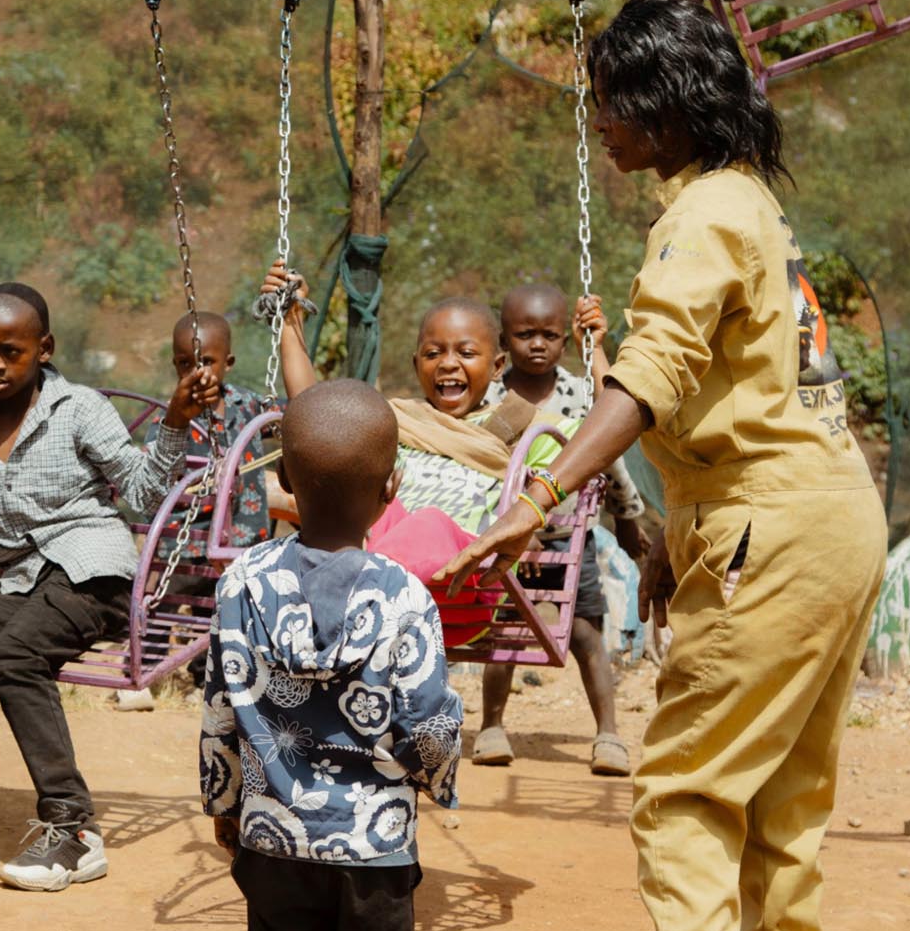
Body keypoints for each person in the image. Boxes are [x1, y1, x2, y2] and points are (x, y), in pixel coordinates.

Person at [443, 0, 887, 931]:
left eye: (606, 100)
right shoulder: (754, 206)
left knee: (687, 784)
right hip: (827, 513)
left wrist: (538, 495)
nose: (595, 120)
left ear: (662, 104)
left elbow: (647, 377)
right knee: (783, 788)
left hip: (768, 522)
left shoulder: (698, 219)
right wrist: (672, 542)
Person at [200, 380, 462, 931]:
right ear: (392, 490)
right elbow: (428, 722)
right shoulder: (405, 597)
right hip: (376, 848)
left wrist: (225, 802)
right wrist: (434, 780)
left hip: (275, 835)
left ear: (286, 485)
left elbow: (220, 709)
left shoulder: (241, 583)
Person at [0, 282, 218, 892]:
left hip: (93, 572)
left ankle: (73, 828)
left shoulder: (79, 408)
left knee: (15, 655)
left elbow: (141, 493)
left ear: (44, 348)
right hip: (21, 579)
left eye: (10, 350)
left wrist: (172, 423)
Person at [260, 267, 563, 643]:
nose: (449, 363)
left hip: (460, 592)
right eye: (434, 353)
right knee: (354, 497)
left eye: (466, 353)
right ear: (416, 363)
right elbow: (315, 415)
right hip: (382, 571)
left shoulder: (521, 425)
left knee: (428, 523)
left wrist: (529, 522)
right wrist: (291, 321)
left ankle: (347, 580)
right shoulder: (399, 421)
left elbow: (580, 459)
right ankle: (339, 563)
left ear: (498, 365)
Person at [476, 282, 647, 776]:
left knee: (587, 634)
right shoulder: (490, 394)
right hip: (509, 539)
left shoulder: (576, 390)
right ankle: (491, 726)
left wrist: (628, 515)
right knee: (502, 635)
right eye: (524, 334)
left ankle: (608, 734)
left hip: (569, 536)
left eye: (549, 335)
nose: (537, 344)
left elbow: (612, 430)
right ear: (505, 341)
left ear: (564, 342)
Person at [149, 310, 275, 554]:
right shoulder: (170, 421)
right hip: (186, 551)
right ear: (175, 364)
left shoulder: (247, 405)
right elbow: (153, 481)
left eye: (206, 361)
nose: (198, 373)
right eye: (186, 363)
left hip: (247, 550)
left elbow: (297, 413)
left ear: (228, 363)